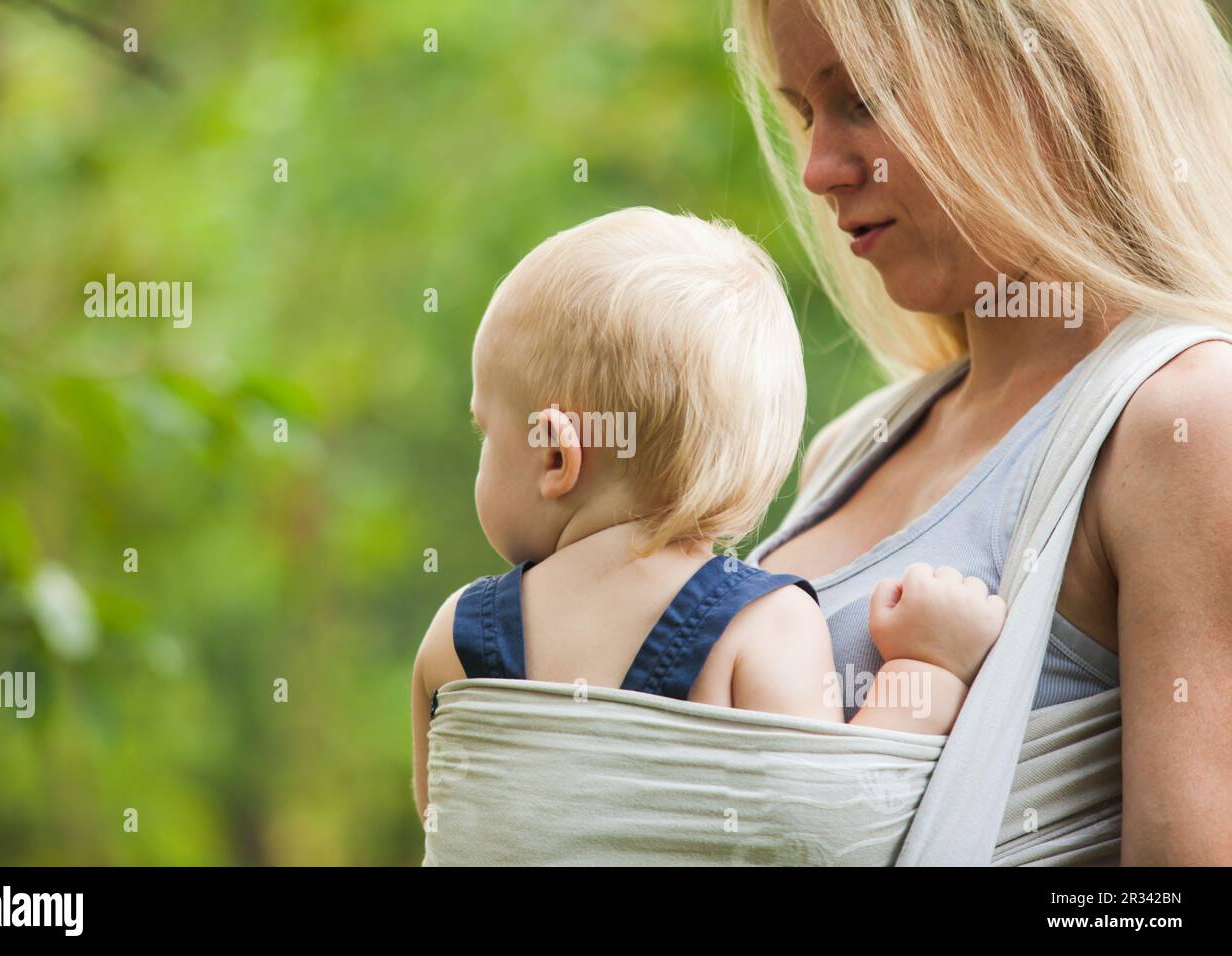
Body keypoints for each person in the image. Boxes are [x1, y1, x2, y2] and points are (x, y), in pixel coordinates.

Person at [735, 0, 1232, 863]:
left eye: (866, 97)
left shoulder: (1186, 417)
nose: (816, 169)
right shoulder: (848, 447)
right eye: (803, 112)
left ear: (1052, 77)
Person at [410, 207, 1007, 819]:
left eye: (486, 430)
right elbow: (837, 826)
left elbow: (448, 828)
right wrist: (930, 666)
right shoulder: (764, 629)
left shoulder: (454, 640)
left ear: (558, 455)